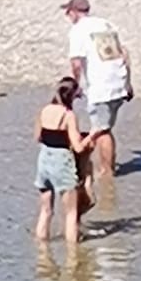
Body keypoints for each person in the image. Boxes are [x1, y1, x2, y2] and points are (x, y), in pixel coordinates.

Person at [64, 0, 132, 194]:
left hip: (101, 86)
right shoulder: (106, 24)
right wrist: (128, 82)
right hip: (118, 81)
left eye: (68, 13)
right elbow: (124, 54)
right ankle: (100, 169)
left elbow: (76, 63)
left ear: (74, 12)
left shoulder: (78, 30)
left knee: (101, 130)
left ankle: (106, 173)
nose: (68, 17)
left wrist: (75, 85)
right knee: (105, 127)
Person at [34, 76, 94, 244]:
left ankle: (42, 254)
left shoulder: (44, 110)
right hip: (62, 163)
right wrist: (91, 136)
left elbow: (38, 137)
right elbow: (78, 147)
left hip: (44, 160)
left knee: (45, 212)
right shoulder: (68, 116)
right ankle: (73, 257)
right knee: (71, 214)